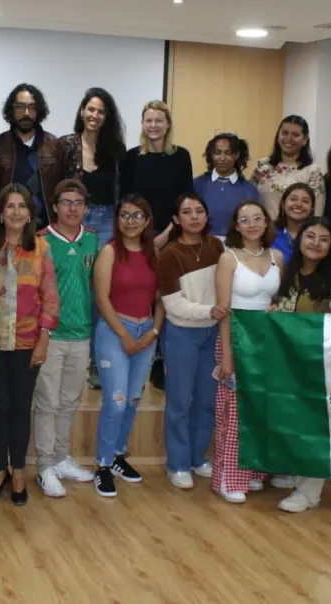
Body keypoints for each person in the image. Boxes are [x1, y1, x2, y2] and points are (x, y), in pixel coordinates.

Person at [0, 184, 59, 506]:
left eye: (23, 206)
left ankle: (18, 471)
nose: (17, 212)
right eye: (10, 206)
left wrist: (43, 340)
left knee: (21, 409)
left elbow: (50, 298)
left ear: (30, 214)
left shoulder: (41, 249)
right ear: (1, 213)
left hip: (27, 344)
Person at [274, 218, 331, 513]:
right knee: (298, 423)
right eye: (309, 236)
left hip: (325, 365)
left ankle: (309, 493)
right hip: (291, 364)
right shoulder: (290, 274)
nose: (315, 243)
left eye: (323, 239)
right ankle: (298, 477)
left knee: (318, 428)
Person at [91, 195, 164, 498]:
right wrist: (123, 335)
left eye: (138, 216)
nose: (130, 221)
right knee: (116, 400)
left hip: (146, 331)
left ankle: (119, 455)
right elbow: (102, 298)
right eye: (125, 215)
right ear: (116, 219)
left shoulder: (154, 254)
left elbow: (161, 298)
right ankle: (103, 465)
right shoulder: (109, 252)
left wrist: (154, 330)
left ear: (147, 221)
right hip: (114, 330)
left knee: (133, 399)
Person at [34, 180, 101, 498]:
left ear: (86, 207)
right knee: (47, 403)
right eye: (66, 202)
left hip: (82, 333)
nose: (73, 208)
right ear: (55, 206)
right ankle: (44, 465)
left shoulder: (93, 240)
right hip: (50, 335)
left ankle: (60, 458)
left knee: (70, 401)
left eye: (79, 202)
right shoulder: (41, 241)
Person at [212, 200, 281, 503]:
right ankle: (229, 477)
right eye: (245, 219)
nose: (252, 223)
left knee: (262, 409)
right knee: (235, 410)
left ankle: (254, 471)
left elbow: (280, 300)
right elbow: (223, 310)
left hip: (267, 341)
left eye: (257, 217)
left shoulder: (277, 256)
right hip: (237, 336)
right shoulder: (228, 259)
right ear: (236, 226)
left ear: (266, 222)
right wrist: (226, 355)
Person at [158, 193, 227, 489]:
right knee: (179, 401)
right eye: (187, 212)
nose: (194, 216)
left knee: (207, 400)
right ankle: (177, 463)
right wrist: (208, 310)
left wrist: (214, 315)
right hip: (181, 333)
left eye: (200, 210)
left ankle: (197, 457)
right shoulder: (170, 254)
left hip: (213, 333)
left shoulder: (217, 246)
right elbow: (172, 304)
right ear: (176, 219)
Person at [0, 83, 66, 230]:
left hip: (48, 232)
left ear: (39, 110)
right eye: (20, 106)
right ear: (11, 110)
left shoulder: (56, 146)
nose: (26, 113)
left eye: (32, 107)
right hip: (7, 232)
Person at [120, 100, 194, 250]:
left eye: (159, 121)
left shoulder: (181, 156)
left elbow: (186, 199)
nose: (153, 125)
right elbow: (125, 200)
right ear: (143, 124)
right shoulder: (131, 157)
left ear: (168, 125)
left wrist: (167, 234)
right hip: (137, 233)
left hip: (172, 234)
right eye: (148, 121)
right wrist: (136, 231)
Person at [61, 88, 126, 246]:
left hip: (107, 220)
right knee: (73, 268)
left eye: (101, 112)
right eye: (91, 109)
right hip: (72, 217)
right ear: (82, 112)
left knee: (102, 268)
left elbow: (122, 187)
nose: (95, 115)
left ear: (106, 117)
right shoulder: (65, 145)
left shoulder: (116, 149)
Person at [252, 115, 325, 221]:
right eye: (284, 133)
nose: (288, 139)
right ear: (278, 135)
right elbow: (249, 201)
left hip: (297, 234)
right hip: (264, 233)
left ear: (304, 139)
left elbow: (317, 213)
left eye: (295, 135)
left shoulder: (312, 172)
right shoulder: (262, 166)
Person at [193, 132, 258, 238]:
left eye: (228, 153)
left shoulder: (249, 190)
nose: (222, 158)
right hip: (203, 245)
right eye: (217, 153)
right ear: (211, 155)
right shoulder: (197, 185)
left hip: (237, 246)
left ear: (237, 155)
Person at [270, 182, 316, 264]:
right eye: (293, 199)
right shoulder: (268, 233)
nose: (298, 204)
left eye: (305, 201)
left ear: (311, 209)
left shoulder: (319, 236)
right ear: (283, 204)